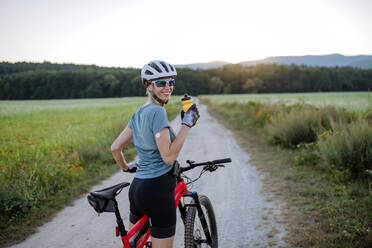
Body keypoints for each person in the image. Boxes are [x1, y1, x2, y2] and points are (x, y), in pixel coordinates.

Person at [111, 60, 200, 248]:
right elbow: (168, 157)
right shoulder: (157, 112)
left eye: (171, 82)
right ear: (149, 85)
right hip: (158, 190)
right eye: (161, 83)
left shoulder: (139, 113)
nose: (168, 87)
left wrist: (127, 167)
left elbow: (115, 148)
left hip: (137, 190)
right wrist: (187, 124)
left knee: (136, 244)